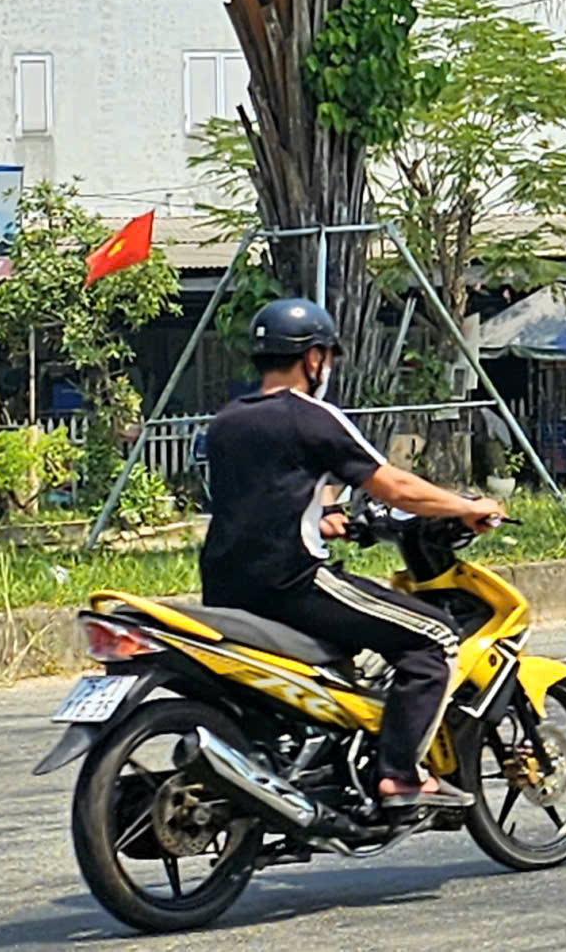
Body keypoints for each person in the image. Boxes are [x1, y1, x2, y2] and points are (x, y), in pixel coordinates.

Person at [198, 297, 506, 810]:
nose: (328, 368)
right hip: (293, 582)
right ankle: (400, 775)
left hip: (226, 586)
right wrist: (465, 506)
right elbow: (395, 486)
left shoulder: (227, 421)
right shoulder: (311, 417)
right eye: (327, 358)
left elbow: (262, 494)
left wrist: (319, 516)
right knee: (434, 638)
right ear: (313, 358)